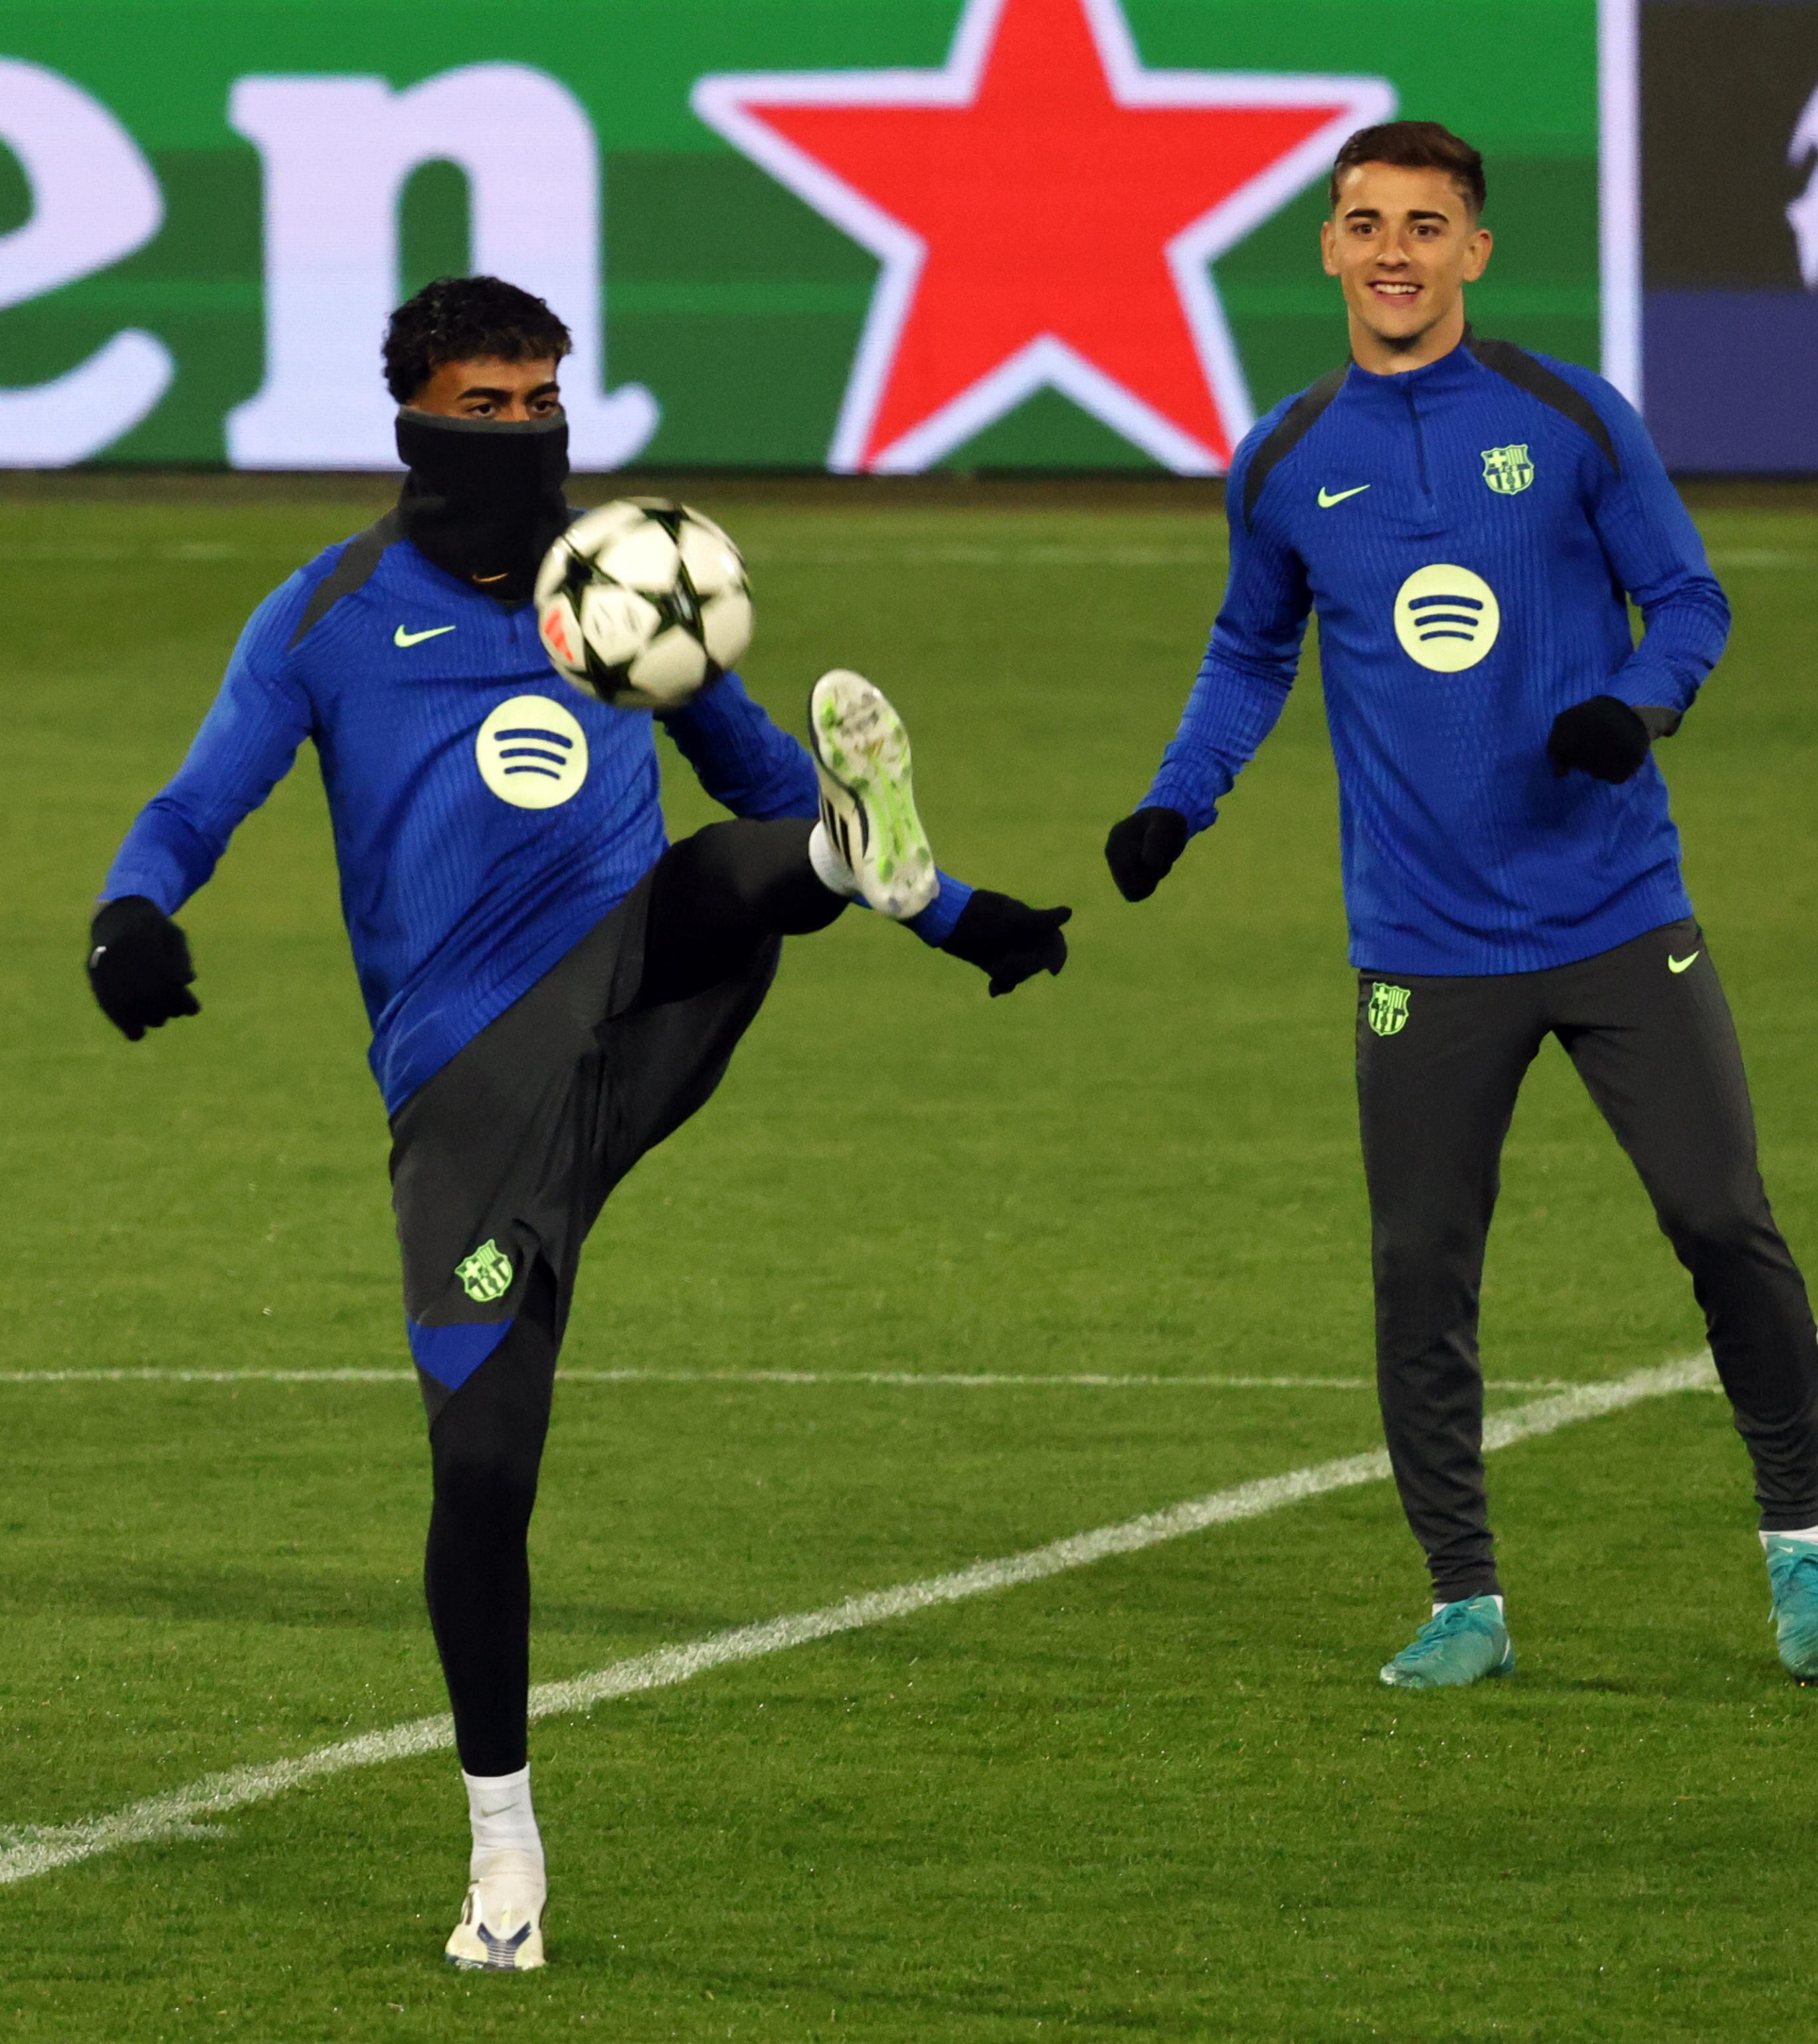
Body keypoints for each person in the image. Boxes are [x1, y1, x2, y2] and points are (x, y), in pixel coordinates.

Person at [84, 275, 1071, 1972]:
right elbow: (199, 797)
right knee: (480, 1474)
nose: (525, 433)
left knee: (739, 870)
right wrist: (131, 913)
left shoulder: (614, 592)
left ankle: (858, 871)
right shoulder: (325, 616)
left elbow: (769, 783)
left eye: (546, 401)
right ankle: (505, 1860)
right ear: (410, 414)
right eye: (487, 405)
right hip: (470, 1084)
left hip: (646, 989)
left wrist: (946, 905)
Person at [1099, 122, 1818, 1690]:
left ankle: (1803, 1547)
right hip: (1421, 948)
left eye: (1426, 225)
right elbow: (1252, 652)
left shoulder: (1569, 415)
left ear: (1474, 252)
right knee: (1421, 1269)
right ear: (1326, 246)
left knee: (1721, 1218)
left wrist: (1635, 707)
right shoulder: (1285, 455)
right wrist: (1181, 798)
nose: (1394, 250)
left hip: (1613, 913)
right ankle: (1465, 1597)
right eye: (1366, 222)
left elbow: (1693, 598)